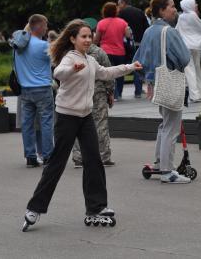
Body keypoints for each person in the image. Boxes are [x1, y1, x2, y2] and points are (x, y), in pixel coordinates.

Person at [22, 19, 142, 230]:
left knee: (94, 160)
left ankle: (96, 207)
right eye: (83, 36)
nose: (88, 39)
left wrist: (131, 66)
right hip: (67, 117)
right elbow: (58, 73)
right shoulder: (70, 58)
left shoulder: (90, 60)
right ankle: (34, 208)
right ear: (73, 39)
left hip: (85, 117)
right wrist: (72, 70)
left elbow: (106, 73)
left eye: (90, 36)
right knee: (56, 164)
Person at [134, 0, 191, 184]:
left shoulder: (149, 31)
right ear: (162, 10)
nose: (175, 10)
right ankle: (167, 171)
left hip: (156, 83)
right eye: (172, 6)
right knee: (171, 126)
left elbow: (137, 61)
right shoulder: (170, 31)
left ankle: (160, 163)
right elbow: (184, 58)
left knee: (164, 124)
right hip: (170, 81)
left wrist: (148, 79)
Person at [14, 14, 54, 168]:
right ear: (38, 26)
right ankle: (48, 155)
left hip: (25, 90)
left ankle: (30, 157)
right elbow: (56, 61)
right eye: (45, 25)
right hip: (42, 89)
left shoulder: (18, 46)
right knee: (46, 123)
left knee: (27, 124)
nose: (46, 28)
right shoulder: (44, 46)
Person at [72, 35, 115, 168]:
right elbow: (108, 73)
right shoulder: (99, 52)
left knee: (78, 124)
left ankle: (79, 157)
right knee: (100, 124)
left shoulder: (71, 53)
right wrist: (110, 92)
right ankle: (103, 156)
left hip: (78, 92)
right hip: (97, 92)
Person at [94, 2, 132, 100]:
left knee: (109, 73)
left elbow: (96, 39)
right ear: (115, 11)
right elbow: (128, 35)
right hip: (120, 51)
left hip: (106, 52)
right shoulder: (122, 22)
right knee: (120, 72)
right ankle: (119, 93)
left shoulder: (101, 23)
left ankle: (113, 94)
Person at [118, 0, 150, 98]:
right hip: (140, 42)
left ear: (123, 3)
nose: (118, 6)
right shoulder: (140, 12)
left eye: (119, 4)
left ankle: (118, 93)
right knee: (138, 66)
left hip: (126, 44)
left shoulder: (121, 14)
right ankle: (138, 91)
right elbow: (146, 27)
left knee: (123, 66)